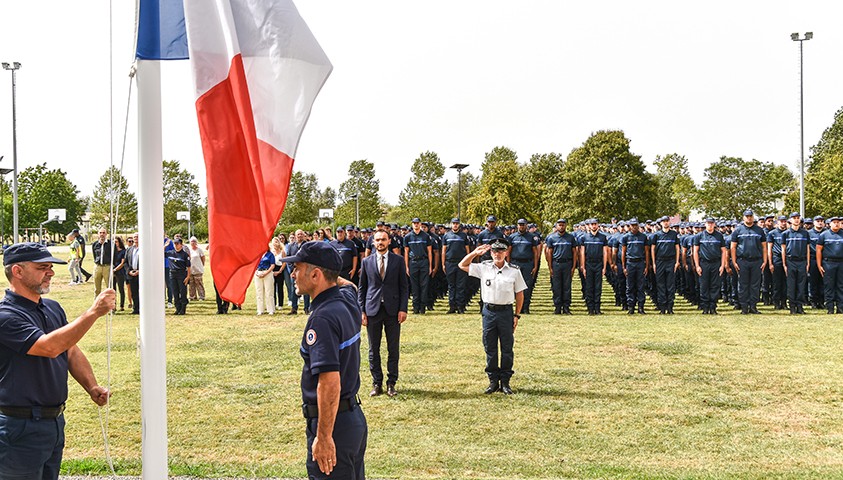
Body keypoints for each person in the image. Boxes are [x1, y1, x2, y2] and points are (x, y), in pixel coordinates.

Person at [0, 242, 115, 480]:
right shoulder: (5, 316)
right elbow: (49, 347)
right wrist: (93, 312)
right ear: (17, 272)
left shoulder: (52, 308)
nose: (51, 272)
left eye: (51, 267)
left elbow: (69, 350)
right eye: (43, 267)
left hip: (53, 422)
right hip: (17, 426)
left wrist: (91, 386)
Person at [279, 241, 367, 479]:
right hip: (352, 420)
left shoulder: (322, 318)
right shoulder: (347, 299)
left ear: (316, 275)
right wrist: (330, 274)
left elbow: (329, 383)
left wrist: (325, 437)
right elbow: (347, 284)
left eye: (297, 268)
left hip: (335, 425)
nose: (293, 274)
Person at [460, 238, 527, 395]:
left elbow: (520, 294)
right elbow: (462, 265)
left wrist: (517, 314)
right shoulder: (484, 268)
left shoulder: (514, 270)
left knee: (506, 347)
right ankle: (492, 381)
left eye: (501, 251)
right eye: (495, 251)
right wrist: (474, 253)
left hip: (506, 312)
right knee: (490, 347)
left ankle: (505, 382)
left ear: (506, 252)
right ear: (490, 253)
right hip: (489, 312)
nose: (498, 254)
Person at [358, 230, 409, 398]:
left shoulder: (398, 261)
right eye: (377, 240)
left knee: (393, 348)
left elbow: (404, 287)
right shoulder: (366, 262)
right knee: (373, 349)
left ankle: (391, 383)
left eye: (383, 239)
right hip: (372, 310)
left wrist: (403, 309)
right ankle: (376, 382)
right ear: (373, 242)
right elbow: (362, 288)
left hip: (393, 311)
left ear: (389, 241)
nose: (380, 242)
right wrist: (362, 310)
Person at [730, 209, 767, 314]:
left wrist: (765, 261)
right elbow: (733, 247)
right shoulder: (738, 230)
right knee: (743, 284)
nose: (749, 218)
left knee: (755, 285)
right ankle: (744, 307)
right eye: (747, 216)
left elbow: (764, 247)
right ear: (743, 218)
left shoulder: (759, 230)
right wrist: (734, 262)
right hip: (742, 261)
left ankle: (753, 306)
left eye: (750, 216)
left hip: (756, 261)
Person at [693, 218, 729, 315]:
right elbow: (695, 252)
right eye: (708, 223)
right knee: (704, 286)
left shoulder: (719, 236)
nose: (710, 225)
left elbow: (723, 251)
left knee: (715, 286)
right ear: (705, 224)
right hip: (704, 263)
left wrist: (722, 265)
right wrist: (697, 265)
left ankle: (713, 307)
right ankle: (705, 307)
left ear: (714, 224)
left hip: (715, 263)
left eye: (712, 223)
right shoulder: (699, 236)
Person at [544, 219, 578, 315]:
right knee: (557, 286)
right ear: (557, 226)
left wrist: (573, 266)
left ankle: (566, 307)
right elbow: (549, 253)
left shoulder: (570, 238)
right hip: (556, 264)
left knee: (567, 286)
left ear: (566, 226)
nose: (561, 227)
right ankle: (557, 307)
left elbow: (575, 252)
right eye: (559, 225)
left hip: (567, 264)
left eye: (563, 225)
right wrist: (550, 267)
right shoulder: (552, 238)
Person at [508, 219, 540, 314]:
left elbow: (535, 253)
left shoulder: (531, 237)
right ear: (517, 226)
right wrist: (508, 264)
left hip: (527, 264)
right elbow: (508, 252)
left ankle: (525, 307)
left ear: (526, 226)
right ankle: (516, 307)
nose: (521, 226)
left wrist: (535, 266)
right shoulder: (512, 237)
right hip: (515, 263)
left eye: (523, 225)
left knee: (527, 286)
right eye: (520, 225)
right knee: (514, 286)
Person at [780, 212, 810, 314]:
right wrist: (784, 264)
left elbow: (808, 248)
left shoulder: (805, 233)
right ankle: (792, 306)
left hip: (802, 261)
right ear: (790, 220)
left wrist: (808, 263)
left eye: (798, 218)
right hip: (790, 261)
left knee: (801, 285)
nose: (796, 220)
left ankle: (800, 306)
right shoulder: (785, 234)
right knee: (791, 285)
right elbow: (783, 250)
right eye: (794, 218)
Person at [651, 216, 681, 314]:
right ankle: (662, 307)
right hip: (660, 261)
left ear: (669, 222)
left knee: (670, 285)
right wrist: (654, 263)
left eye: (667, 221)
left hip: (670, 261)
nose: (665, 223)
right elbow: (652, 250)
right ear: (661, 223)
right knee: (660, 285)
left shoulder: (674, 234)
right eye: (663, 221)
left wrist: (677, 262)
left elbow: (677, 248)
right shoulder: (656, 235)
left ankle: (670, 307)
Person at [620, 218, 650, 314]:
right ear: (630, 226)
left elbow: (646, 252)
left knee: (641, 286)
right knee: (630, 286)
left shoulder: (643, 237)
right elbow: (623, 253)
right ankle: (631, 307)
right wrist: (624, 267)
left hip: (640, 263)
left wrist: (646, 266)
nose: (634, 227)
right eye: (632, 225)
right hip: (630, 263)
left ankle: (641, 307)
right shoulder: (626, 237)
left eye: (635, 225)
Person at [403, 218, 433, 315]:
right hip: (413, 262)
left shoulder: (426, 236)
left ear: (420, 224)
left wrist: (430, 266)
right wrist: (406, 266)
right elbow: (406, 252)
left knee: (424, 285)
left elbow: (429, 252)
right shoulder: (408, 237)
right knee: (414, 286)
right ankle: (416, 307)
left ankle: (423, 307)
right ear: (412, 224)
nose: (416, 225)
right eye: (414, 223)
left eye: (417, 223)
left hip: (424, 262)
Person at [580, 218, 609, 315]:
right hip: (588, 264)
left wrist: (604, 267)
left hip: (598, 264)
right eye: (592, 224)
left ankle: (597, 308)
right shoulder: (584, 237)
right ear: (589, 225)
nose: (593, 226)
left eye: (595, 224)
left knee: (598, 287)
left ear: (598, 225)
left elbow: (605, 253)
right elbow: (582, 253)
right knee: (589, 287)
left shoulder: (602, 237)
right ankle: (590, 309)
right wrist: (583, 267)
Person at [442, 218, 471, 314]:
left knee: (460, 285)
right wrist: (443, 264)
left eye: (457, 223)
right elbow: (443, 251)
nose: (455, 225)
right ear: (451, 224)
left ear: (459, 225)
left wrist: (468, 262)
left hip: (461, 263)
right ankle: (452, 306)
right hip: (450, 262)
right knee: (451, 286)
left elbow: (467, 251)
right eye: (453, 223)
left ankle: (460, 307)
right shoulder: (446, 235)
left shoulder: (464, 235)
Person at [816, 216, 843, 314]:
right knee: (829, 286)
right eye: (834, 222)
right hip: (828, 263)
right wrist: (819, 265)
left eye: (838, 222)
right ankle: (830, 308)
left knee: (841, 286)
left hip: (841, 263)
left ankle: (840, 307)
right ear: (830, 224)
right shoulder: (824, 235)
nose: (836, 224)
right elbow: (818, 250)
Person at [165, 237, 192, 315]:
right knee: (175, 292)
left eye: (177, 244)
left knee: (183, 292)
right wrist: (165, 245)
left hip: (181, 274)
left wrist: (188, 277)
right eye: (174, 243)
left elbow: (189, 267)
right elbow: (160, 253)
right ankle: (177, 308)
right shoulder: (170, 253)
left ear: (181, 245)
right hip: (172, 274)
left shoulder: (184, 255)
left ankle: (183, 309)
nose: (176, 245)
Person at [255, 245, 277, 315]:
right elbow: (254, 265)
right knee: (259, 292)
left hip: (267, 273)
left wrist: (266, 273)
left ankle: (270, 309)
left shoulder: (270, 255)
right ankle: (260, 309)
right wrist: (256, 272)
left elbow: (272, 265)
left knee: (269, 291)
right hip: (258, 273)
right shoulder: (257, 254)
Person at [91, 228, 113, 297]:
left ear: (106, 234)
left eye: (103, 233)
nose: (102, 234)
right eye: (100, 233)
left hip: (107, 267)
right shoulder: (95, 244)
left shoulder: (111, 244)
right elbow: (94, 255)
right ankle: (96, 305)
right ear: (98, 234)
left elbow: (114, 256)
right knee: (97, 288)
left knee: (109, 288)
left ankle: (112, 305)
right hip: (98, 267)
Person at [125, 233, 140, 314]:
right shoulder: (129, 249)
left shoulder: (144, 248)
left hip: (141, 274)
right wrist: (129, 271)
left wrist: (140, 271)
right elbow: (126, 262)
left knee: (141, 292)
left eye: (137, 237)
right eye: (134, 237)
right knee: (134, 292)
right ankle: (136, 309)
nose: (136, 238)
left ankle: (142, 308)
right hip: (131, 273)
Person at [187, 237, 206, 301]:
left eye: (194, 241)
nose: (193, 243)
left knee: (199, 283)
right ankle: (192, 296)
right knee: (191, 284)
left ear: (196, 242)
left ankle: (201, 296)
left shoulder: (199, 250)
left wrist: (202, 265)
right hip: (191, 269)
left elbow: (203, 258)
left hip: (198, 269)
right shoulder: (189, 250)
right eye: (192, 241)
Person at [112, 236, 127, 311]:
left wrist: (115, 269)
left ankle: (122, 305)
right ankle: (113, 305)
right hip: (112, 272)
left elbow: (122, 263)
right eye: (114, 242)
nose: (115, 243)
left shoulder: (123, 251)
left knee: (121, 288)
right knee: (113, 289)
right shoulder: (112, 252)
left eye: (116, 242)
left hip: (120, 272)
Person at [125, 235, 135, 310]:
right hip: (128, 272)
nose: (131, 242)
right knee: (129, 288)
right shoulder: (127, 250)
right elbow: (125, 262)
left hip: (136, 272)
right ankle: (130, 302)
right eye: (129, 241)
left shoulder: (136, 249)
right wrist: (128, 271)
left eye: (132, 241)